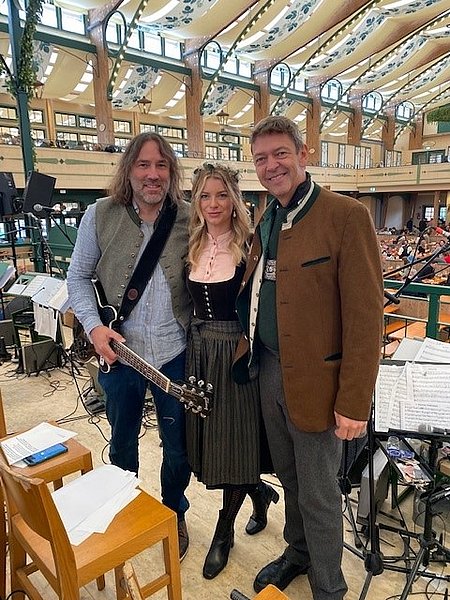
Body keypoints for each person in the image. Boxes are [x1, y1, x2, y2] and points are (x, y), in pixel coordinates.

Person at [233, 116, 383, 599]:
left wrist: (354, 401)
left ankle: (329, 588)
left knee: (319, 494)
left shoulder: (345, 216)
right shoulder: (268, 217)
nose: (271, 166)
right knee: (291, 478)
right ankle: (298, 552)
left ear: (303, 154)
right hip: (269, 370)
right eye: (261, 158)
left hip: (321, 382)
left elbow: (366, 318)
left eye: (280, 153)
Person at [67, 132, 192, 560]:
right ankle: (124, 508)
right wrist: (93, 328)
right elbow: (77, 277)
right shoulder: (99, 214)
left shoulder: (189, 217)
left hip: (175, 353)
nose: (152, 174)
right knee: (122, 443)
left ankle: (174, 511)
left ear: (171, 172)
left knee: (178, 448)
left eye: (161, 165)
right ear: (129, 170)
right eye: (143, 165)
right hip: (119, 355)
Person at [185, 162, 277, 580]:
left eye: (222, 195)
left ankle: (223, 532)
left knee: (233, 445)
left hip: (235, 353)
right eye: (205, 195)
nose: (213, 203)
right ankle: (258, 492)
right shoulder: (191, 243)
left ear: (235, 200)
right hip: (199, 351)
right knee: (210, 446)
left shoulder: (251, 246)